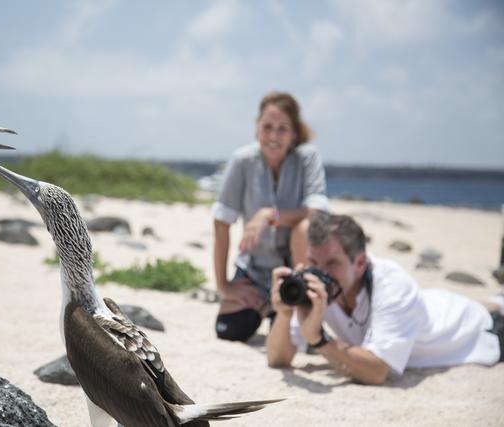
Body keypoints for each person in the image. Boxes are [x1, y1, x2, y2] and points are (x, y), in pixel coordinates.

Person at [266, 212, 504, 385]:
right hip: (431, 307)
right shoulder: (318, 286)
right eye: (314, 263)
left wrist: (320, 341)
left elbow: (377, 371)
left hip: (478, 331)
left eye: (332, 263)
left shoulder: (391, 284)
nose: (320, 273)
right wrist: (285, 314)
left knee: (490, 309)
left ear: (360, 262)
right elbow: (278, 358)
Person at [212, 91, 329, 342]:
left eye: (282, 128)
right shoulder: (242, 161)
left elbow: (318, 214)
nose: (274, 136)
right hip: (254, 270)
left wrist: (269, 214)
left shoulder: (307, 158)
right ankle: (267, 306)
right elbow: (221, 223)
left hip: (294, 270)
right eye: (267, 127)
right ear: (257, 128)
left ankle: (300, 302)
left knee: (304, 226)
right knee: (228, 329)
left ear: (294, 133)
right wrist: (224, 285)